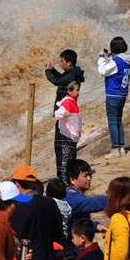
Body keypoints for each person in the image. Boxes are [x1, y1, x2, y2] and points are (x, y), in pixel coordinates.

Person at [46, 50, 85, 182]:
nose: (60, 63)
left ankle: (64, 179)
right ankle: (70, 176)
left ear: (69, 63)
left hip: (66, 117)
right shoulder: (73, 74)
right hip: (70, 115)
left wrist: (48, 71)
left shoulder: (71, 76)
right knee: (68, 149)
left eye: (62, 61)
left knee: (62, 149)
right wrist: (54, 69)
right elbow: (62, 79)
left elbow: (57, 80)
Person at [99, 37, 130, 159]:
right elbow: (115, 65)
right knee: (118, 122)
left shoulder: (116, 61)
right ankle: (121, 148)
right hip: (122, 94)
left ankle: (115, 149)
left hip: (113, 95)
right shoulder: (126, 60)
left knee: (112, 123)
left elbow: (103, 71)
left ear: (114, 48)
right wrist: (111, 54)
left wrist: (101, 57)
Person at [65, 159, 108, 231]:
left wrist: (95, 226)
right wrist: (116, 198)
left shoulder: (75, 195)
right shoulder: (71, 197)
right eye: (85, 176)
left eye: (90, 175)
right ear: (72, 180)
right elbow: (94, 203)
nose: (89, 179)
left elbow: (77, 222)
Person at [53, 81, 82, 185]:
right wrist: (64, 113)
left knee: (71, 157)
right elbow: (57, 113)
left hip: (72, 136)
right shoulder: (67, 101)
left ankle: (70, 180)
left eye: (78, 90)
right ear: (69, 91)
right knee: (67, 159)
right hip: (67, 135)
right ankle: (65, 182)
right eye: (76, 90)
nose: (78, 92)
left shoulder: (73, 101)